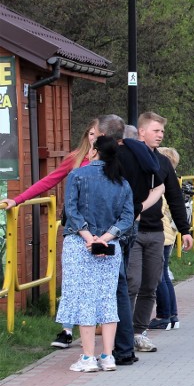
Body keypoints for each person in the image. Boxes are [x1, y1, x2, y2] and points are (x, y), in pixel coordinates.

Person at [0, 118, 100, 350]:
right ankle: (66, 329)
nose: (95, 139)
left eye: (99, 135)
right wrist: (17, 199)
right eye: (92, 134)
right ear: (86, 135)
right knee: (72, 279)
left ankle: (103, 326)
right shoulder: (75, 159)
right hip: (76, 227)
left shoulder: (112, 161)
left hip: (103, 228)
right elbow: (48, 181)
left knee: (98, 281)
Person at [56, 135, 134, 372]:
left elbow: (71, 209)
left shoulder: (77, 176)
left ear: (95, 151)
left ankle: (88, 358)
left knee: (83, 298)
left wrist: (89, 237)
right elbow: (127, 218)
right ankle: (107, 356)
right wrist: (106, 238)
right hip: (110, 247)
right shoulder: (122, 183)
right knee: (107, 298)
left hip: (79, 245)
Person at [99, 113, 164, 365]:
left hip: (111, 226)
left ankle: (120, 348)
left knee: (118, 287)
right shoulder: (144, 155)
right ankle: (125, 345)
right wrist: (139, 208)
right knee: (124, 285)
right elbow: (159, 185)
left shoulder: (112, 158)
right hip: (133, 224)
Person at [129, 112, 193, 352]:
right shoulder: (128, 159)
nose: (160, 135)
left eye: (162, 132)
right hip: (132, 231)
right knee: (132, 282)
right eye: (156, 131)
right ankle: (124, 334)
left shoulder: (163, 163)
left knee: (151, 284)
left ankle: (139, 332)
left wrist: (185, 230)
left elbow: (175, 197)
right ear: (141, 131)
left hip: (156, 231)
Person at [148, 147, 182, 330]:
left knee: (159, 276)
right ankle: (172, 315)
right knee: (165, 276)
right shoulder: (173, 180)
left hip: (160, 231)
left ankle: (163, 315)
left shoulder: (161, 182)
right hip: (169, 233)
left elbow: (160, 208)